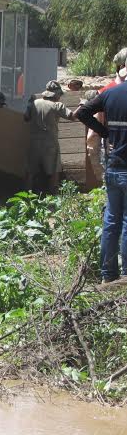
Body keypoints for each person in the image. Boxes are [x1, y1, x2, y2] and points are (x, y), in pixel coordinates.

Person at [77, 80, 127, 284]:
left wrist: (105, 132)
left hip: (114, 166)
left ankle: (108, 275)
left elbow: (81, 113)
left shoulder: (110, 94)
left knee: (112, 219)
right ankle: (125, 275)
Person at [24, 81, 76, 193]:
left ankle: (26, 195)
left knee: (30, 170)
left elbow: (26, 118)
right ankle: (54, 195)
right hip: (50, 143)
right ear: (56, 94)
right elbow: (72, 117)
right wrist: (83, 105)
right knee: (54, 170)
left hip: (34, 142)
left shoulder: (34, 103)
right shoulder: (57, 105)